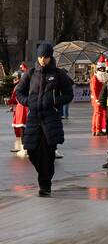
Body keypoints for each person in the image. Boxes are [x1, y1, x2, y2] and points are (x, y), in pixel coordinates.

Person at [15, 42, 74, 196]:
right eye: (41, 57)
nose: (43, 60)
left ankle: (45, 185)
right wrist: (27, 101)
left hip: (50, 117)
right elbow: (19, 91)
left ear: (50, 57)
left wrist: (54, 101)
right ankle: (44, 175)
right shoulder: (30, 73)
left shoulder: (59, 74)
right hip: (34, 117)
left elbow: (69, 94)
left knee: (48, 153)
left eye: (46, 57)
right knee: (31, 150)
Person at [8, 63, 28, 155]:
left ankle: (23, 147)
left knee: (21, 127)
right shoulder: (19, 85)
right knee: (19, 128)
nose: (14, 79)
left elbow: (16, 98)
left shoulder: (20, 86)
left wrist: (10, 101)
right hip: (19, 109)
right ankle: (20, 146)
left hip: (21, 108)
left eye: (16, 78)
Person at [89, 59, 108, 136]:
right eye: (101, 69)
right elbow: (94, 89)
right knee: (98, 114)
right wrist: (97, 99)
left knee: (98, 114)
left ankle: (96, 129)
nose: (102, 70)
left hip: (100, 98)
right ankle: (97, 130)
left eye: (103, 69)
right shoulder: (95, 78)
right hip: (97, 99)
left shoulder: (101, 77)